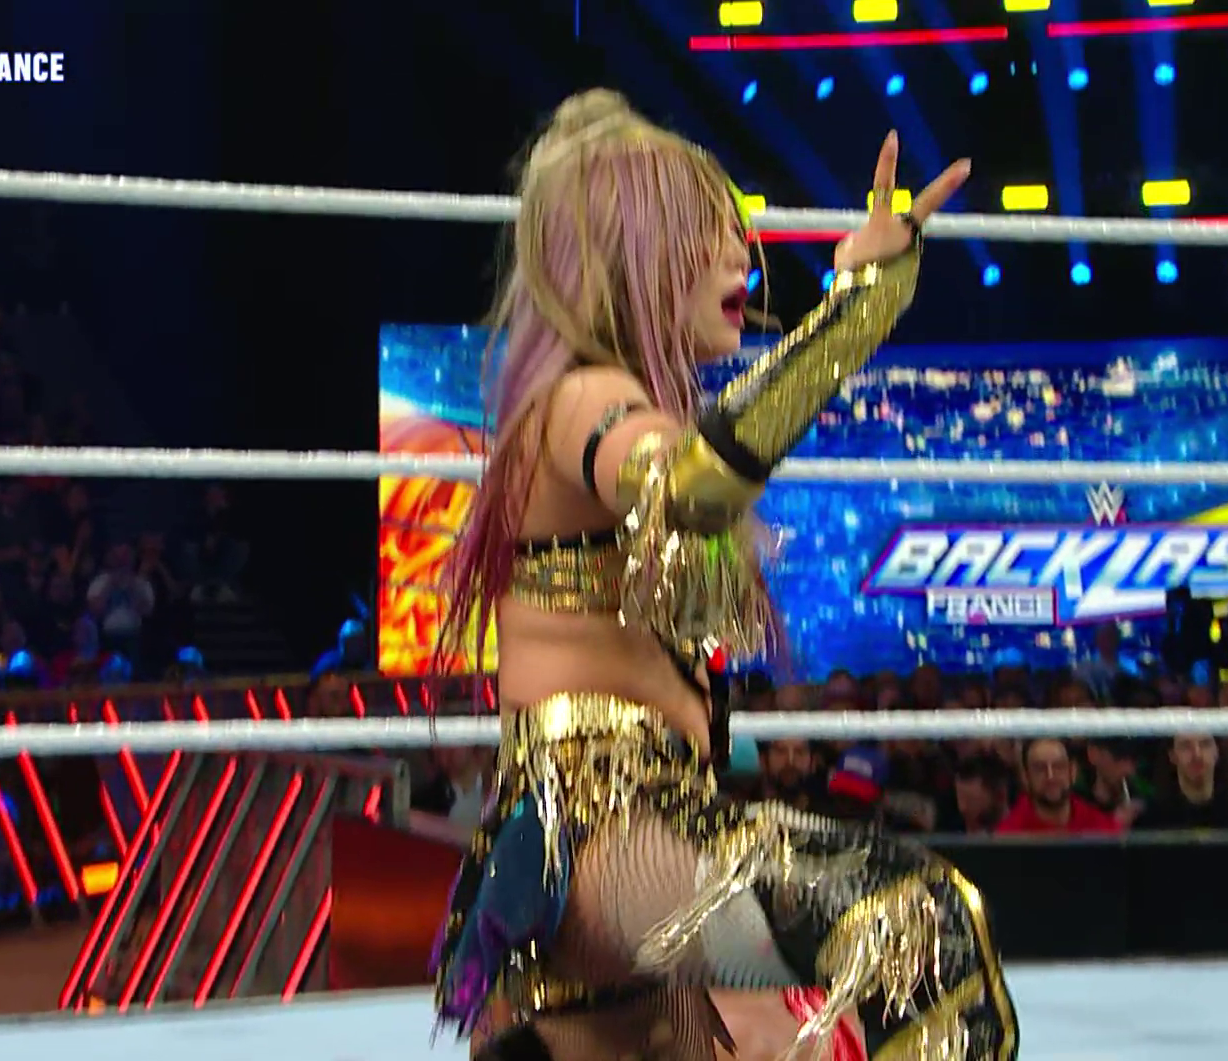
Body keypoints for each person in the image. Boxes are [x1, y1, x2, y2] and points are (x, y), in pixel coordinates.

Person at [428, 89, 1007, 1061]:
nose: (744, 255)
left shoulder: (597, 400)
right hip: (609, 834)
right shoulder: (583, 399)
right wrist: (858, 310)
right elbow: (689, 484)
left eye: (738, 231)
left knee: (788, 1041)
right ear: (635, 256)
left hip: (628, 841)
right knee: (917, 924)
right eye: (707, 232)